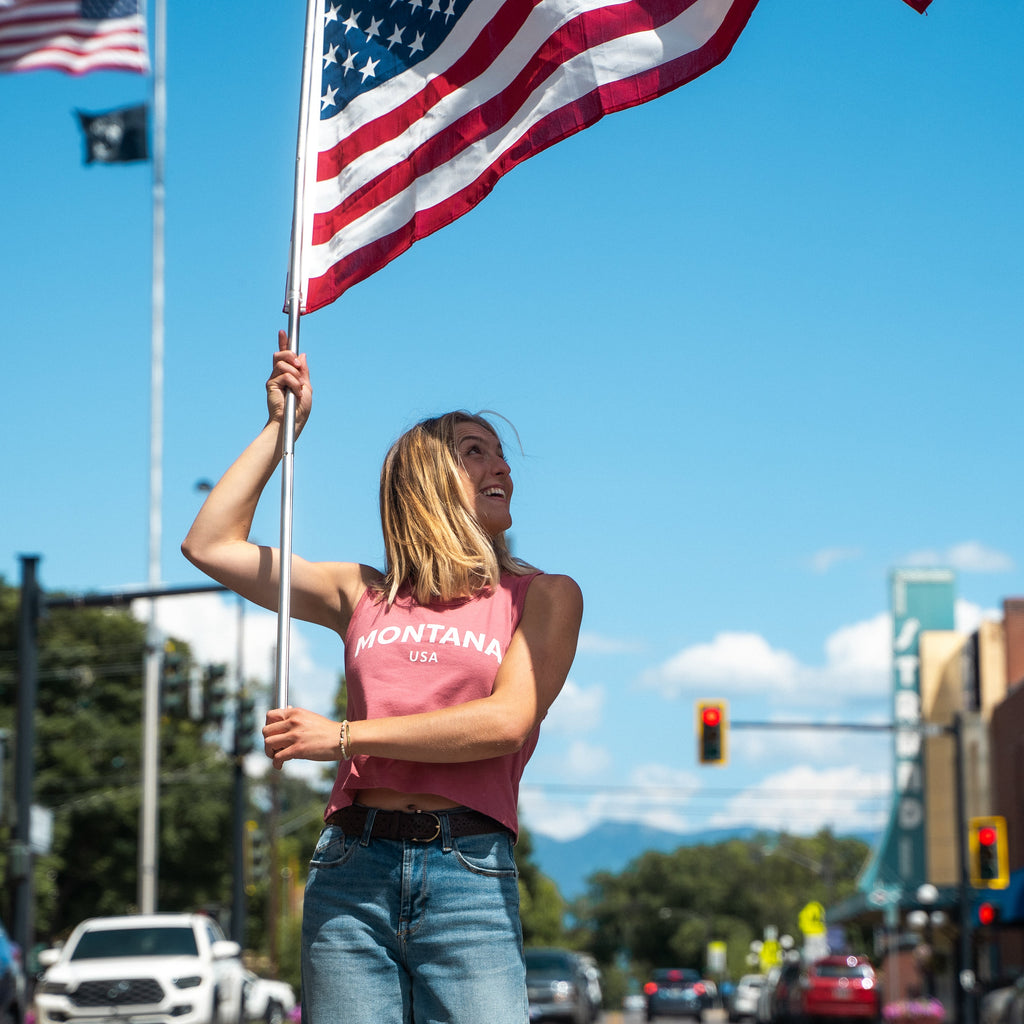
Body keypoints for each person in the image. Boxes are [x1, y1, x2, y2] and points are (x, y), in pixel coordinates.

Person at [182, 331, 583, 1024]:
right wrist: (282, 431)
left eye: (501, 454)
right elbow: (210, 544)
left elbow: (505, 722)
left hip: (470, 875)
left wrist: (342, 736)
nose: (502, 468)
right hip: (349, 870)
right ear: (425, 481)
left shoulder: (543, 597)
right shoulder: (360, 592)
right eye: (474, 451)